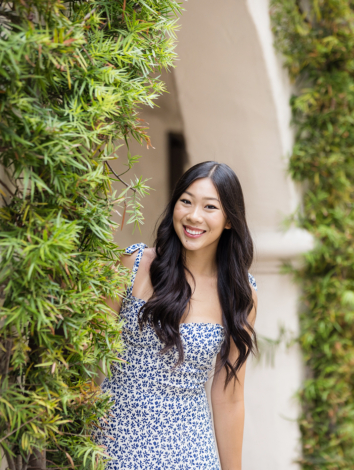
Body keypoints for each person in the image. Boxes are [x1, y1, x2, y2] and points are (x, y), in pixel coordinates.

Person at [93, 161, 259, 469]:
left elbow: (229, 398)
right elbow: (88, 355)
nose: (194, 216)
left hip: (191, 454)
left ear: (229, 220)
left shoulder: (240, 294)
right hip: (114, 446)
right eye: (186, 201)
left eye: (210, 206)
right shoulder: (135, 266)